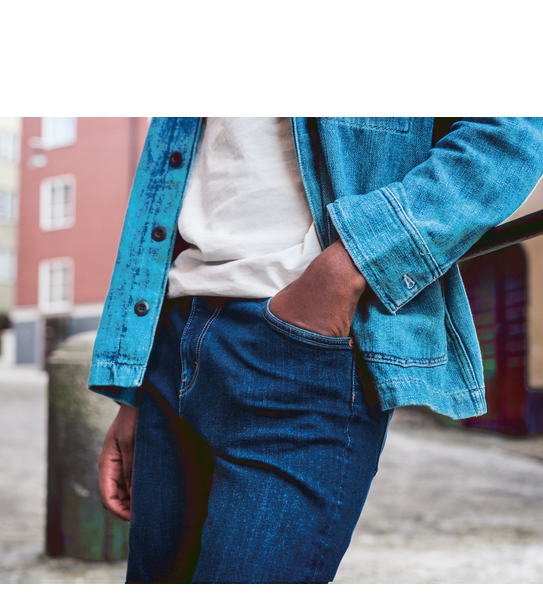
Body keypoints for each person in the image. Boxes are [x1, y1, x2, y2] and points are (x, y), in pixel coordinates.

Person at [90, 117, 543, 584]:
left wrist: (348, 267)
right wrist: (131, 391)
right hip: (172, 332)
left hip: (300, 340)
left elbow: (511, 133)